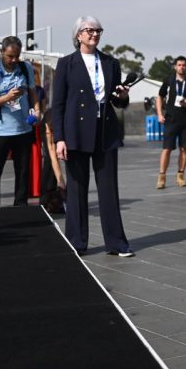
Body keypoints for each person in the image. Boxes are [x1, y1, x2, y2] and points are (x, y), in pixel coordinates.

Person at [52, 16, 133, 257]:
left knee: (109, 189)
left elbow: (117, 102)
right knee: (76, 189)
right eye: (89, 30)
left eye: (98, 31)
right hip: (75, 132)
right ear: (78, 35)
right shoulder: (66, 64)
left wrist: (123, 95)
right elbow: (58, 104)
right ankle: (76, 243)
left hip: (105, 131)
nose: (95, 34)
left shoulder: (110, 62)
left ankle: (116, 243)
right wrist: (60, 138)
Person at [0, 36, 39, 208]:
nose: (14, 60)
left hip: (23, 130)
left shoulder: (26, 68)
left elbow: (33, 92)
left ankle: (20, 209)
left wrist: (37, 110)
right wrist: (6, 97)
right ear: (2, 53)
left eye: (17, 56)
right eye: (10, 56)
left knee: (23, 173)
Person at [155, 56, 186, 189]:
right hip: (171, 120)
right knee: (167, 149)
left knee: (184, 149)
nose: (181, 67)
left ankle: (180, 176)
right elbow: (159, 97)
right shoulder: (169, 80)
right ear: (175, 67)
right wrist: (160, 114)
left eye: (184, 65)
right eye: (179, 65)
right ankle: (161, 177)